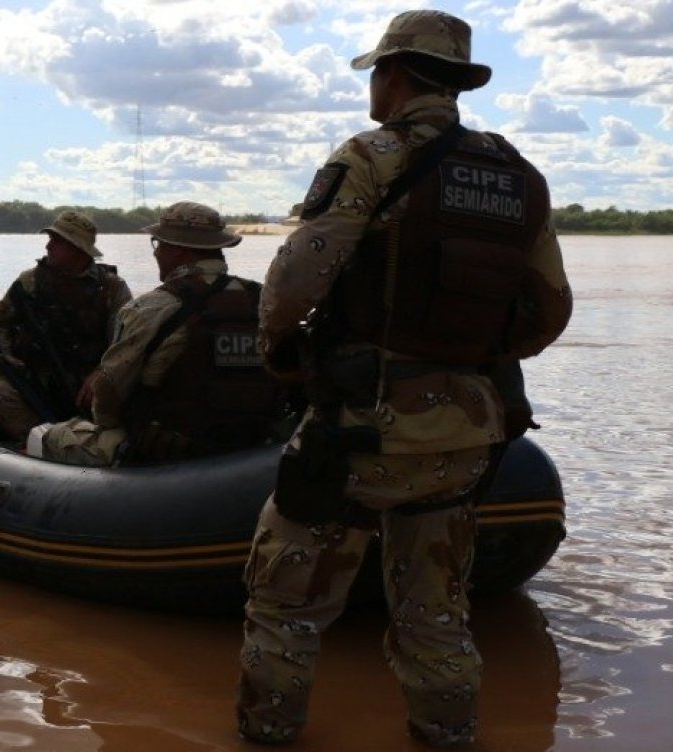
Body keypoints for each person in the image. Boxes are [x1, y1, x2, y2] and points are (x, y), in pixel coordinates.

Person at [235, 10, 572, 748]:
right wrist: (468, 361)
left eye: (377, 73)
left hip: (363, 429)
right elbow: (551, 311)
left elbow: (294, 282)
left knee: (285, 607)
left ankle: (267, 734)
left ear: (394, 75)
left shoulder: (372, 157)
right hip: (465, 440)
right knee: (436, 612)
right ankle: (448, 735)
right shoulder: (519, 177)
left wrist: (282, 354)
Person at [31, 201, 281, 466]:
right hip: (252, 445)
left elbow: (107, 404)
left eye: (159, 245)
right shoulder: (263, 300)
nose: (156, 253)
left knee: (44, 436)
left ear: (179, 250)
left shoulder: (152, 308)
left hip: (169, 451)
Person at [0, 210, 131, 443]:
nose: (48, 247)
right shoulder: (29, 282)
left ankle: (89, 444)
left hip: (88, 386)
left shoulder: (112, 288)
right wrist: (5, 357)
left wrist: (101, 373)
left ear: (77, 248)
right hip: (36, 381)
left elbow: (124, 344)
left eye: (56, 241)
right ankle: (41, 443)